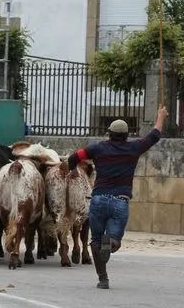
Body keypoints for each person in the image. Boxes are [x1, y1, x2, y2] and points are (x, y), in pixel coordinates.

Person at [67, 106, 169, 290]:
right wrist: (161, 116)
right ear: (127, 135)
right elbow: (154, 136)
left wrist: (73, 171)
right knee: (114, 240)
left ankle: (103, 279)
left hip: (98, 200)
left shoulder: (97, 149)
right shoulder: (134, 148)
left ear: (109, 133)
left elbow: (74, 157)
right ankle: (111, 242)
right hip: (120, 201)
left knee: (95, 241)